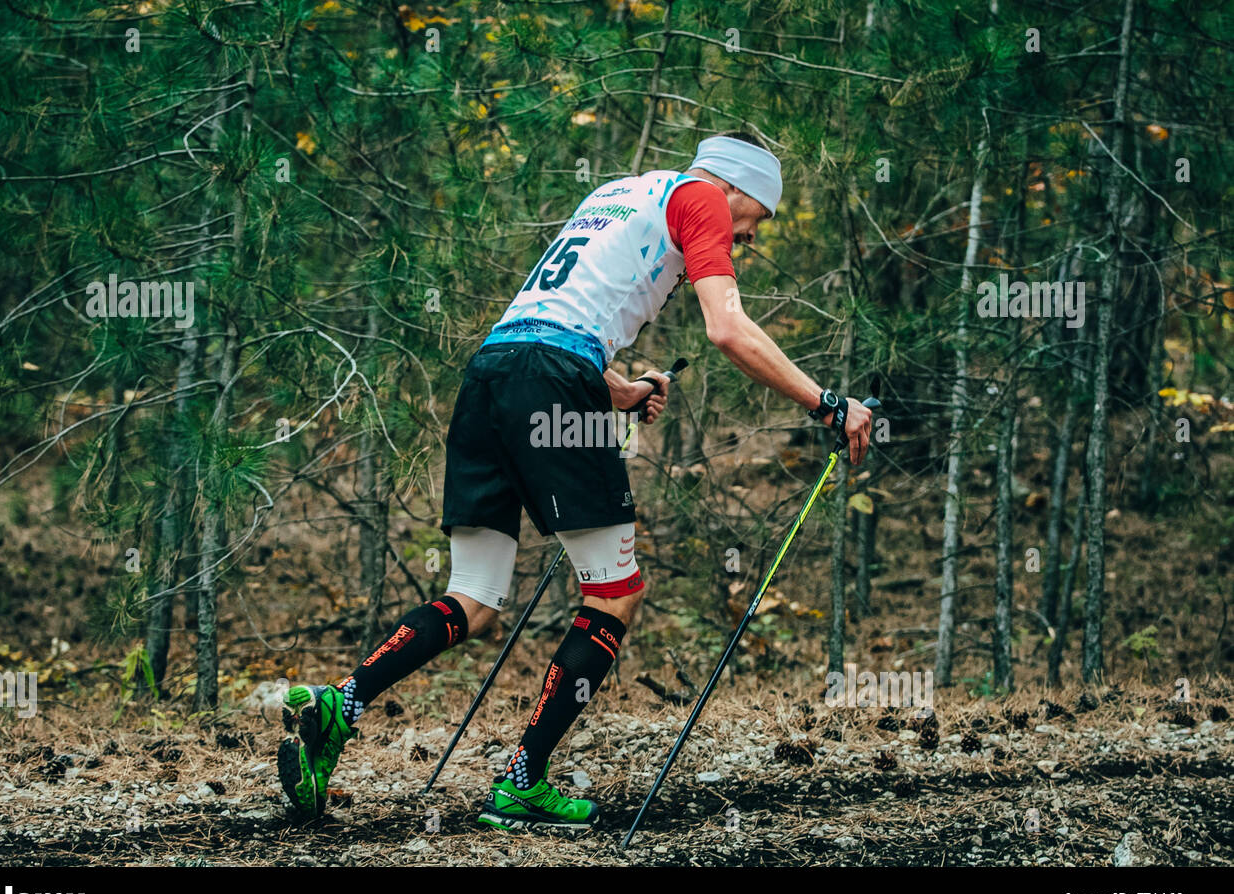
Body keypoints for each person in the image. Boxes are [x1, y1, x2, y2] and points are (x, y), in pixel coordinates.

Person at [277, 131, 873, 828]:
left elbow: (557, 320)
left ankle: (336, 707)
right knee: (615, 596)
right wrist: (827, 404)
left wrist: (620, 391)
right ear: (738, 189)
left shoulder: (619, 194)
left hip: (492, 376)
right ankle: (524, 781)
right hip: (552, 381)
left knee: (473, 598)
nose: (744, 239)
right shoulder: (703, 197)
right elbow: (729, 328)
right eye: (755, 222)